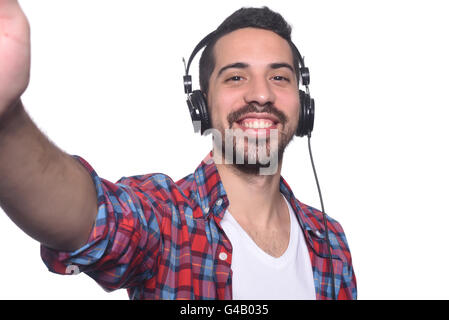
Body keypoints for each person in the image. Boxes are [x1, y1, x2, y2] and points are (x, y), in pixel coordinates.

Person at [0, 0, 356, 300]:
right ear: (201, 104)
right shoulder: (166, 216)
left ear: (302, 102)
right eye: (236, 77)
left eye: (279, 77)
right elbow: (95, 220)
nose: (261, 95)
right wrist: (7, 119)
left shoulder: (330, 239)